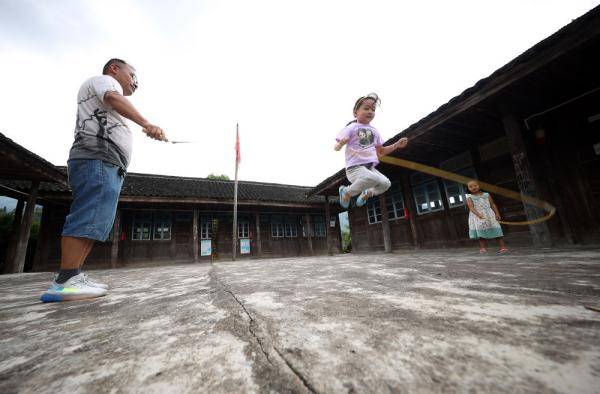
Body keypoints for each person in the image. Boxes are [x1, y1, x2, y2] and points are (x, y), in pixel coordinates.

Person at [40, 58, 167, 302]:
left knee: (96, 218)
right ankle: (65, 281)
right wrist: (147, 123)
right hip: (97, 156)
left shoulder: (109, 84)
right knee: (89, 212)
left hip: (108, 161)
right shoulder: (105, 82)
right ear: (114, 69)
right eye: (133, 76)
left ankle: (72, 275)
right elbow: (113, 98)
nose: (135, 83)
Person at [334, 93, 408, 208]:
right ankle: (346, 191)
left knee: (386, 183)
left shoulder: (375, 131)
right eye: (366, 108)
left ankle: (367, 193)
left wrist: (396, 145)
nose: (370, 111)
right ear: (355, 112)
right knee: (373, 178)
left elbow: (381, 151)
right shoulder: (351, 128)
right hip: (354, 168)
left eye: (373, 109)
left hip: (369, 168)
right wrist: (341, 143)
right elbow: (336, 148)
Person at [466, 180, 509, 253]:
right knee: (481, 232)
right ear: (468, 188)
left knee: (496, 229)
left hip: (489, 214)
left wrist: (497, 213)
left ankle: (502, 247)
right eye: (470, 186)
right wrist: (478, 214)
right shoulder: (469, 197)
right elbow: (471, 207)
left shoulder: (486, 195)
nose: (473, 187)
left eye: (475, 185)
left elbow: (492, 204)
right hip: (478, 216)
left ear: (479, 185)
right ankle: (483, 248)